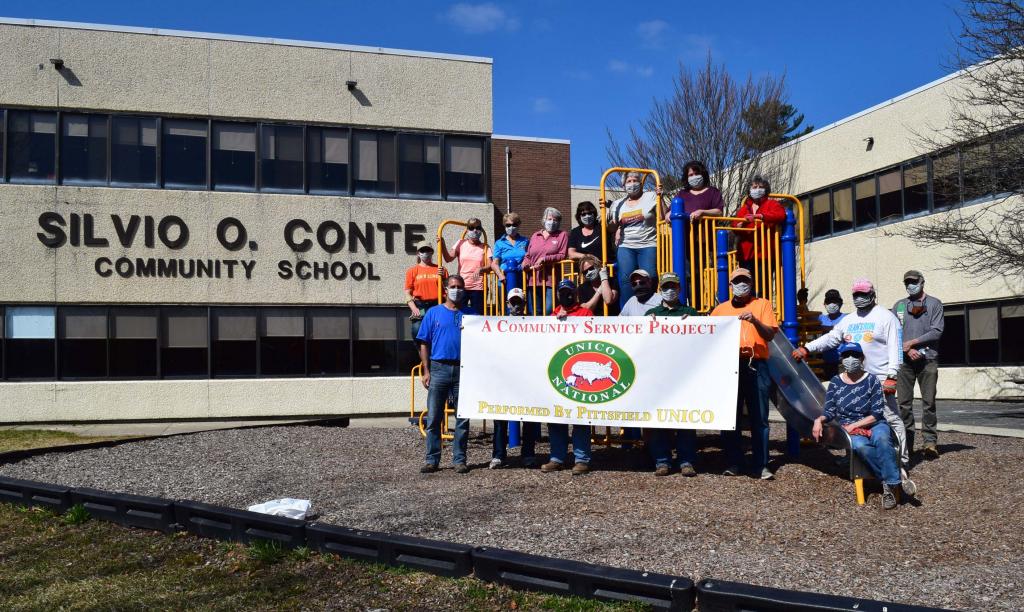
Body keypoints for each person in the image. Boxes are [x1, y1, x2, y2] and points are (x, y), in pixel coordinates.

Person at [792, 278, 916, 496]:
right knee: (850, 419)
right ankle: (855, 459)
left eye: (863, 293)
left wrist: (892, 376)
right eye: (856, 294)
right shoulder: (848, 320)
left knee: (890, 420)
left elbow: (896, 348)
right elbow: (831, 339)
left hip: (878, 379)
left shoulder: (886, 318)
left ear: (872, 294)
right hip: (852, 379)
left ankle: (901, 461)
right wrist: (807, 348)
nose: (859, 298)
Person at [812, 342, 903, 510]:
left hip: (873, 423)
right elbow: (830, 410)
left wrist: (854, 425)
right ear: (841, 359)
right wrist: (819, 420)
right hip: (849, 428)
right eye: (846, 355)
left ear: (862, 358)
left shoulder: (872, 380)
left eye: (855, 355)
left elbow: (876, 413)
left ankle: (891, 483)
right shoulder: (835, 382)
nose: (850, 359)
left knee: (883, 439)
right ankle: (893, 482)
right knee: (860, 446)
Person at [711, 268, 779, 480]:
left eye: (745, 281)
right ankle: (734, 461)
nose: (742, 284)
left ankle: (761, 464)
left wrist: (755, 321)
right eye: (737, 281)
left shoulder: (762, 304)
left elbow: (770, 335)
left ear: (751, 283)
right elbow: (707, 335)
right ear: (730, 285)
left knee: (759, 417)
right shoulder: (720, 310)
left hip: (756, 364)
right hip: (729, 365)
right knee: (731, 417)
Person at [416, 275, 475, 474]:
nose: (456, 290)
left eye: (459, 287)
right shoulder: (433, 313)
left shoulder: (472, 314)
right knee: (433, 418)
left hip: (464, 370)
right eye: (452, 286)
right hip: (438, 368)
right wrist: (426, 370)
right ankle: (432, 460)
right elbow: (424, 343)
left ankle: (460, 460)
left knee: (463, 418)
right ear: (445, 289)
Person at [646, 272, 701, 476]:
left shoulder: (691, 313)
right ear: (660, 289)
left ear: (679, 289)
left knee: (685, 419)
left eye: (673, 287)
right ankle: (662, 461)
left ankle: (686, 461)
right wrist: (648, 325)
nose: (669, 290)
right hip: (659, 375)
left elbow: (701, 340)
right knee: (659, 418)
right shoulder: (651, 314)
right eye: (665, 287)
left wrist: (693, 325)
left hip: (684, 374)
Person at [542, 279, 593, 474]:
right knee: (556, 417)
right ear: (557, 295)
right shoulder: (553, 314)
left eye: (569, 292)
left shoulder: (585, 313)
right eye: (562, 292)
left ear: (576, 294)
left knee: (580, 417)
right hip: (560, 372)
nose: (566, 295)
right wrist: (556, 322)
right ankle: (557, 458)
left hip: (579, 371)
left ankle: (581, 459)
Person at [893, 270, 944, 459]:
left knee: (928, 403)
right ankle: (907, 443)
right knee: (904, 404)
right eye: (907, 282)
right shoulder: (899, 306)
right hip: (904, 362)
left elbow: (936, 331)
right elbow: (894, 332)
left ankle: (930, 443)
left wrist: (912, 343)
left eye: (914, 282)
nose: (910, 285)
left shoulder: (934, 304)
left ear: (922, 282)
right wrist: (906, 349)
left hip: (928, 360)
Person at [608, 172, 661, 305]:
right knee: (625, 279)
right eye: (629, 181)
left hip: (648, 243)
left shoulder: (650, 196)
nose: (632, 184)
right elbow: (611, 228)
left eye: (635, 180)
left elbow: (661, 217)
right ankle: (628, 310)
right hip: (626, 245)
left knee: (650, 276)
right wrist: (611, 221)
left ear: (641, 183)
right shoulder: (618, 204)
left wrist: (661, 196)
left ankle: (650, 307)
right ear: (624, 185)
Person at [489, 288, 528, 470]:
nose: (516, 305)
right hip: (503, 379)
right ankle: (498, 455)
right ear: (507, 304)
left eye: (519, 302)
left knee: (529, 417)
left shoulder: (534, 324)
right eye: (513, 302)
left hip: (525, 378)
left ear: (525, 304)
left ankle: (528, 454)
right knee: (500, 419)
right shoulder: (497, 324)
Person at [732, 176, 786, 289]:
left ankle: (763, 306)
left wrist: (761, 216)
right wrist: (740, 225)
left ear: (766, 190)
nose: (757, 189)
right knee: (746, 286)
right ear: (749, 191)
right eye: (754, 187)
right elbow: (734, 226)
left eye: (761, 187)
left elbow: (781, 215)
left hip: (765, 254)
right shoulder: (744, 209)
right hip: (746, 255)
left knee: (763, 287)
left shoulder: (772, 204)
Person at [522, 207, 568, 315]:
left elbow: (562, 255)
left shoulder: (562, 235)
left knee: (549, 311)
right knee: (535, 311)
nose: (552, 222)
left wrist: (545, 259)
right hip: (533, 279)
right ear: (544, 220)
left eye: (555, 220)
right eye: (550, 219)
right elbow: (528, 255)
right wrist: (525, 263)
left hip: (551, 279)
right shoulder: (535, 235)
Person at [440, 217, 491, 315]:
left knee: (477, 316)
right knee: (458, 313)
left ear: (481, 230)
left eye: (477, 228)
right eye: (471, 228)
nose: (475, 230)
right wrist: (442, 244)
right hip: (461, 286)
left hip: (478, 287)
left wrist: (481, 268)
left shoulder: (485, 247)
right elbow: (448, 258)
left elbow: (490, 265)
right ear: (467, 230)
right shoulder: (460, 243)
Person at [404, 245, 445, 341]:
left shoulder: (440, 270)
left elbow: (447, 288)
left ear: (432, 252)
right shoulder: (412, 271)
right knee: (417, 330)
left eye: (428, 250)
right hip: (421, 306)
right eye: (423, 250)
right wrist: (414, 308)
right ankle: (421, 353)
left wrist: (443, 277)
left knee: (438, 332)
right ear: (418, 253)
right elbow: (407, 292)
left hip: (437, 304)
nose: (426, 252)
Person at [490, 212, 529, 291]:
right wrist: (500, 275)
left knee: (521, 302)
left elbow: (529, 257)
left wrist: (525, 263)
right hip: (504, 279)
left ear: (518, 225)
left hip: (521, 278)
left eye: (514, 225)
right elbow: (495, 263)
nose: (511, 227)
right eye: (508, 225)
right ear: (504, 226)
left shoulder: (525, 241)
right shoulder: (499, 243)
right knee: (504, 303)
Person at [818, 289, 847, 380]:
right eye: (829, 302)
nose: (832, 304)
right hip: (824, 363)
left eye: (835, 301)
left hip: (841, 364)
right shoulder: (821, 318)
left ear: (840, 303)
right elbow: (807, 320)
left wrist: (825, 328)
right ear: (825, 304)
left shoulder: (846, 318)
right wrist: (803, 302)